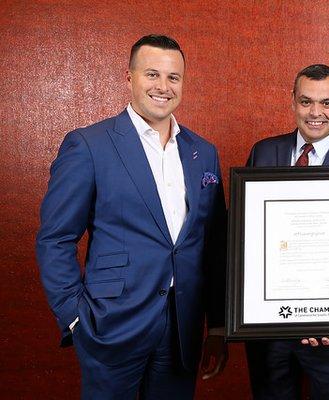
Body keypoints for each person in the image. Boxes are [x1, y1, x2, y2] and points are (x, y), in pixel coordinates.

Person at [36, 34, 227, 399]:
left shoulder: (203, 152)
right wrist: (75, 317)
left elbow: (216, 246)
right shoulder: (89, 145)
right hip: (111, 325)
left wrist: (216, 326)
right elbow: (55, 239)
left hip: (182, 329)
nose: (163, 86)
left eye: (173, 77)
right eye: (151, 74)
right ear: (129, 78)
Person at [245, 64, 329, 400]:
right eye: (306, 101)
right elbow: (245, 242)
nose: (315, 113)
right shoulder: (263, 153)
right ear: (292, 101)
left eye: (326, 102)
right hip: (270, 334)